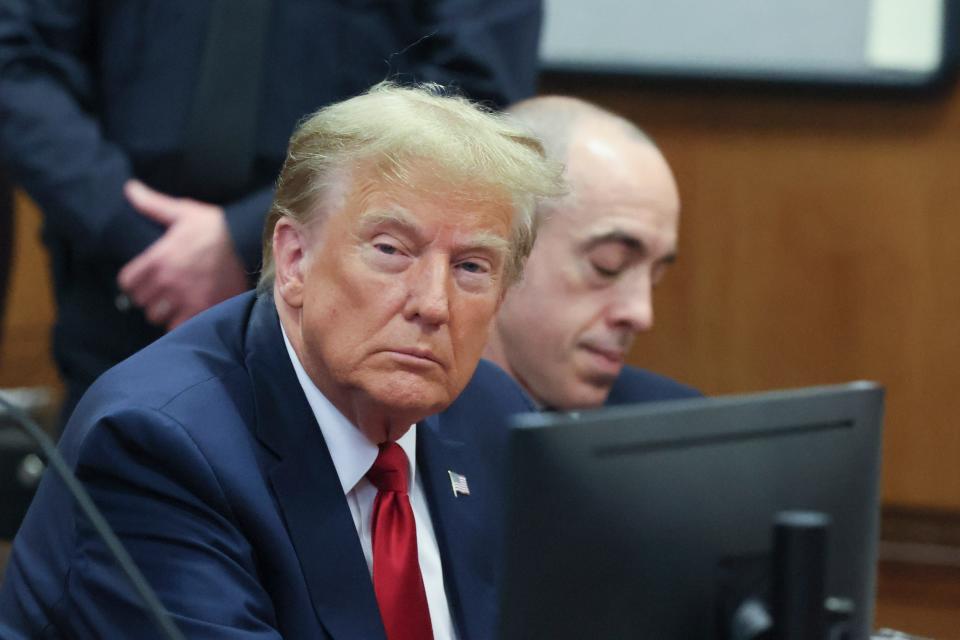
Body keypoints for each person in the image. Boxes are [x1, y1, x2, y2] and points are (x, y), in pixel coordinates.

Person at [0, 83, 563, 639]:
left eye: (471, 267)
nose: (434, 304)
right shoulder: (159, 446)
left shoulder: (493, 414)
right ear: (295, 259)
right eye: (391, 251)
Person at [0, 0, 545, 425]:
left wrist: (248, 236)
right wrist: (129, 229)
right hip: (126, 283)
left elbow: (471, 90)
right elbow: (15, 58)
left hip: (361, 283)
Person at [485, 97, 700, 410]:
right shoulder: (411, 433)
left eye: (655, 279)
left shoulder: (675, 427)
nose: (641, 314)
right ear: (500, 242)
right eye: (608, 265)